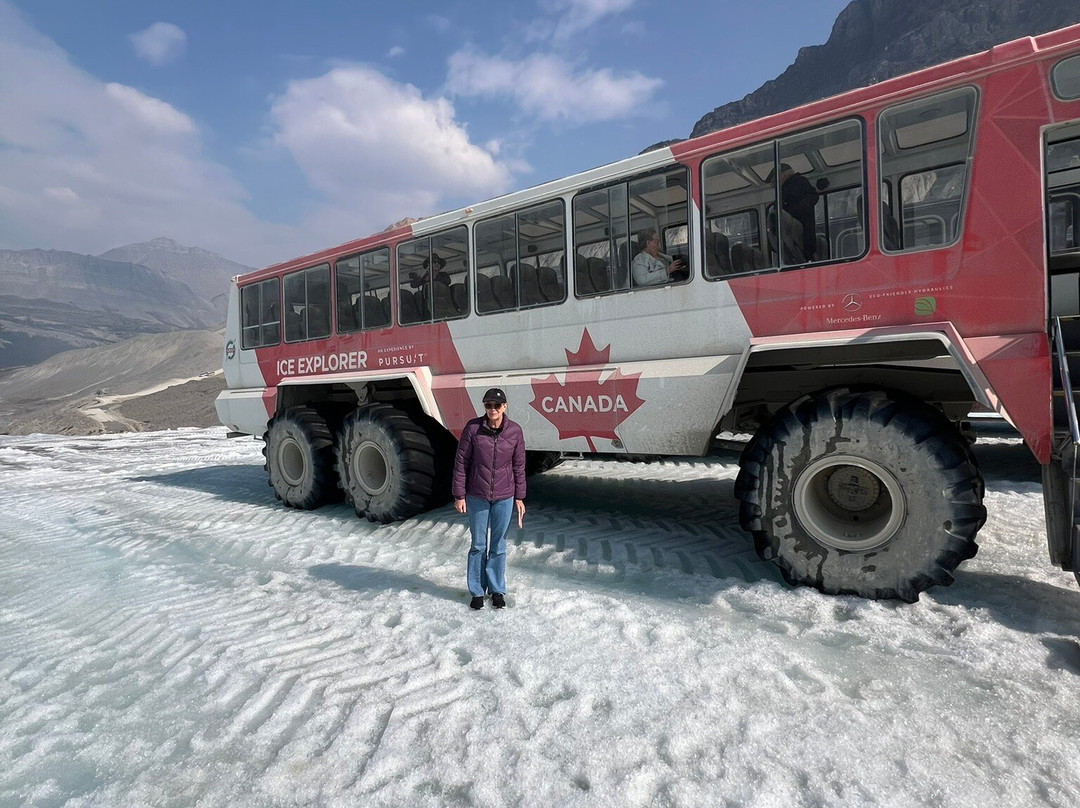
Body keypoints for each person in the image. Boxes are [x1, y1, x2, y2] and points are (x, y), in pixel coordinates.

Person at [453, 387, 526, 610]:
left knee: (498, 545)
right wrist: (459, 494)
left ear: (505, 407)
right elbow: (461, 462)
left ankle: (496, 590)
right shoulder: (473, 428)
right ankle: (476, 591)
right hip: (477, 495)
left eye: (497, 405)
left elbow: (519, 466)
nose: (492, 409)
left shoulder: (515, 431)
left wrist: (520, 497)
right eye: (488, 405)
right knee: (477, 545)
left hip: (505, 496)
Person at [777, 163, 820, 262]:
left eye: (776, 178)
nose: (777, 182)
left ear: (783, 174)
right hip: (804, 237)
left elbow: (812, 197)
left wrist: (792, 212)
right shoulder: (795, 183)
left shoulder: (795, 182)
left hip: (802, 234)